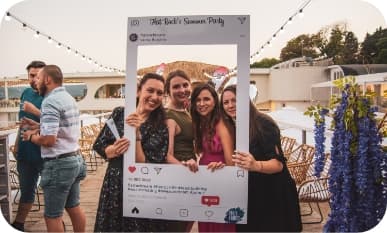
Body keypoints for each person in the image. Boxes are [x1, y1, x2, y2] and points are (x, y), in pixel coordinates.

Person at [93, 73, 170, 232]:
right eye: (150, 90)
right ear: (138, 91)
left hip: (141, 188)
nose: (154, 97)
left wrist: (136, 135)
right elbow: (100, 144)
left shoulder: (161, 125)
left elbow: (145, 164)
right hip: (114, 182)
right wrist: (112, 150)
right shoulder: (120, 113)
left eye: (159, 93)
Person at [220, 85, 302, 232]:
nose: (230, 105)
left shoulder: (263, 123)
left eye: (234, 100)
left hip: (273, 195)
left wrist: (255, 164)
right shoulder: (235, 125)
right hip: (252, 195)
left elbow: (278, 164)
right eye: (226, 102)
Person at [22, 65, 87, 232]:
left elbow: (49, 140)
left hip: (59, 165)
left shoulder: (49, 101)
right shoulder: (68, 97)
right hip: (75, 159)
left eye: (38, 78)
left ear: (47, 80)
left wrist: (31, 136)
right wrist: (39, 125)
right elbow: (62, 129)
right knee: (73, 207)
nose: (35, 82)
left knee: (52, 215)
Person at [190, 83, 235, 232]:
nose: (201, 104)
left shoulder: (220, 122)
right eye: (198, 100)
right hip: (206, 179)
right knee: (207, 222)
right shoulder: (203, 122)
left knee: (219, 224)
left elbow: (230, 161)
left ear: (215, 101)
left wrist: (223, 170)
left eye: (206, 99)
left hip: (220, 179)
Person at [11, 60, 45, 232]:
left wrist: (35, 111)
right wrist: (17, 145)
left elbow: (60, 124)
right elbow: (22, 123)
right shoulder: (25, 93)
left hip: (46, 151)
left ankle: (57, 225)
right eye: (32, 75)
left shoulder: (51, 95)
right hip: (26, 150)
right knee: (26, 190)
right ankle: (18, 224)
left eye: (38, 76)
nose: (35, 79)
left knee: (53, 193)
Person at [164, 70, 196, 232]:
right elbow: (167, 155)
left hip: (191, 171)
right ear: (168, 91)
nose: (182, 90)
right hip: (180, 175)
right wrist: (184, 171)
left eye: (185, 85)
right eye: (176, 87)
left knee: (187, 224)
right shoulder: (169, 116)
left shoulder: (186, 111)